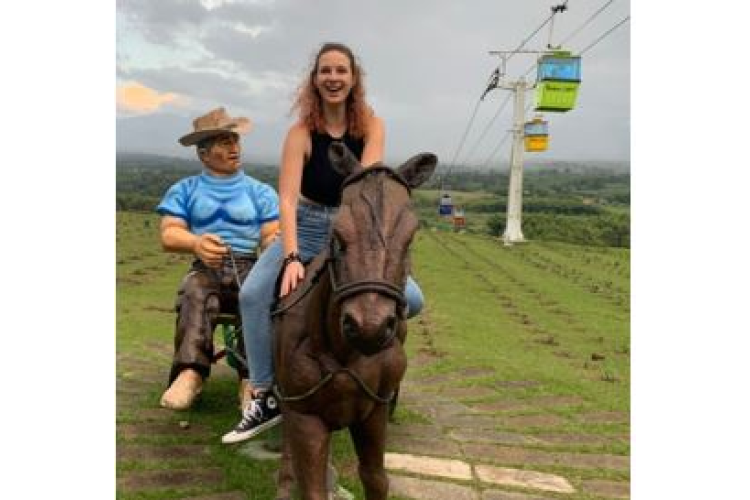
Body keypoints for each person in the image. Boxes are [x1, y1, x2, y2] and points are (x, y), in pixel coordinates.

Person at [221, 42, 424, 444]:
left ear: (353, 79)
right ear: (315, 79)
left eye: (341, 71)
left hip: (352, 227)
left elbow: (367, 194)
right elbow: (287, 199)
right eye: (325, 71)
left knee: (412, 300)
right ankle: (264, 393)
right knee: (254, 294)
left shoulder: (371, 126)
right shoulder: (301, 132)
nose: (333, 78)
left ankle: (370, 375)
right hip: (307, 223)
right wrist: (293, 255)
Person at [156, 107, 280, 411]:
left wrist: (272, 242)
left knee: (258, 296)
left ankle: (252, 380)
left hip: (250, 265)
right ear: (203, 153)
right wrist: (195, 242)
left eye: (235, 140)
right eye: (224, 142)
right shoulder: (185, 189)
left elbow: (270, 233)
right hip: (206, 266)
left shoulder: (259, 191)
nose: (234, 147)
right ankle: (190, 372)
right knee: (194, 290)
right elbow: (169, 233)